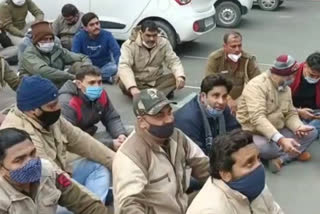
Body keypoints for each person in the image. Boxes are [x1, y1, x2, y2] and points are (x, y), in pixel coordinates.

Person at [0, 75, 115, 204]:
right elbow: (53, 175)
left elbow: (81, 140)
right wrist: (90, 203)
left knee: (97, 167)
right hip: (38, 196)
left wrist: (119, 164)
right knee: (85, 202)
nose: (58, 108)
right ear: (33, 110)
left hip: (60, 177)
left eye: (57, 102)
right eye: (52, 106)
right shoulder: (20, 136)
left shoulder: (48, 117)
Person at [113, 88, 210, 214]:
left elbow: (203, 166)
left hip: (182, 207)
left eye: (169, 112)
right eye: (160, 116)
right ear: (142, 122)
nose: (169, 119)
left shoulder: (177, 136)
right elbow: (129, 205)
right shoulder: (130, 156)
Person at [237, 54, 318, 173]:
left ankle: (281, 159)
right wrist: (281, 140)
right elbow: (258, 119)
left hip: (279, 127)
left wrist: (298, 127)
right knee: (267, 150)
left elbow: (290, 113)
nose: (295, 78)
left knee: (312, 132)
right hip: (255, 131)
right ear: (286, 74)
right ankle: (291, 151)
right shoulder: (257, 86)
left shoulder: (286, 88)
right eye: (293, 75)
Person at [0, 128, 109, 214]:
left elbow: (85, 204)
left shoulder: (47, 171)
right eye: (19, 160)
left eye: (32, 153)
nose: (31, 163)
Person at [187, 129, 283, 214]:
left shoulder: (255, 187)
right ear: (225, 174)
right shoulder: (210, 210)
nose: (259, 165)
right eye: (249, 162)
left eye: (258, 158)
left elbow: (275, 210)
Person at [59, 64, 128, 151]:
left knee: (131, 131)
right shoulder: (67, 103)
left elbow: (111, 117)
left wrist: (120, 135)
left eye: (99, 82)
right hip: (74, 144)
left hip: (90, 135)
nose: (97, 86)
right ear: (79, 84)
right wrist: (110, 144)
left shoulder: (101, 94)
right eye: (91, 83)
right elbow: (71, 140)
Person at [118, 20, 185, 98]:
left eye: (154, 35)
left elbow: (173, 61)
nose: (152, 39)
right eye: (148, 35)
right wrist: (132, 87)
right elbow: (124, 66)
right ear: (141, 33)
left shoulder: (164, 43)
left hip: (155, 80)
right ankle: (155, 94)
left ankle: (146, 96)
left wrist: (179, 77)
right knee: (122, 81)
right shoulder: (129, 45)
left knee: (176, 78)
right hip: (137, 82)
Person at [175, 74, 240, 155]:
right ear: (203, 97)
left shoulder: (223, 109)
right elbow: (197, 157)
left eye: (224, 96)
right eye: (216, 96)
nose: (221, 101)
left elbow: (237, 136)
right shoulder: (188, 119)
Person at [19, 21, 91, 88]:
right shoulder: (29, 53)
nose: (49, 42)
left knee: (78, 65)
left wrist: (87, 66)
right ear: (36, 41)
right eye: (45, 39)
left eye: (51, 39)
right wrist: (72, 77)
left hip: (57, 82)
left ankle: (86, 90)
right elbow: (43, 71)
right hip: (38, 87)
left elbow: (82, 57)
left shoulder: (56, 49)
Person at [205, 31, 261, 114]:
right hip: (217, 97)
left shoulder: (248, 60)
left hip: (239, 100)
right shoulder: (215, 58)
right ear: (225, 46)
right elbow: (210, 83)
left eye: (239, 46)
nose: (237, 49)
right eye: (233, 46)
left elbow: (258, 81)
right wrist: (227, 99)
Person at [72, 12, 120, 84]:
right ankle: (102, 78)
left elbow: (117, 52)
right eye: (92, 25)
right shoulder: (78, 37)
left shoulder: (107, 35)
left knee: (114, 68)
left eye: (97, 23)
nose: (96, 26)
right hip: (87, 66)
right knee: (78, 68)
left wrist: (119, 68)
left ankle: (91, 79)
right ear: (85, 28)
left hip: (104, 66)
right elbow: (74, 55)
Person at [290, 52, 320, 134]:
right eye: (312, 75)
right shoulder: (290, 74)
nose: (315, 78)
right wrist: (298, 111)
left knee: (311, 129)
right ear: (305, 65)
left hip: (314, 112)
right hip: (292, 111)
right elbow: (277, 104)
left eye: (318, 76)